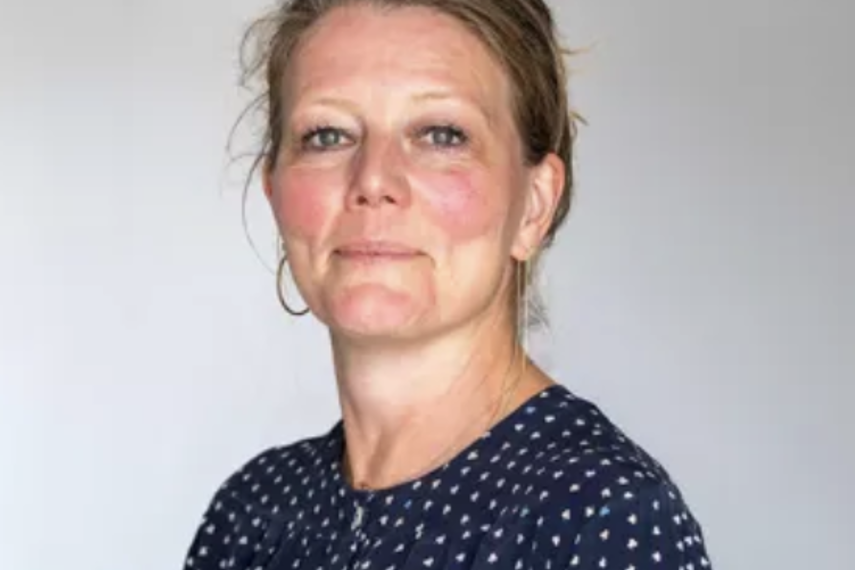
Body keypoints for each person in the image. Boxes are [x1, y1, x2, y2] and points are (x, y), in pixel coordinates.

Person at [183, 1, 712, 568]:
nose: (373, 180)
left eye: (441, 135)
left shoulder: (601, 516)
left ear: (534, 205)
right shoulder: (253, 511)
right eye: (328, 135)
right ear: (274, 191)